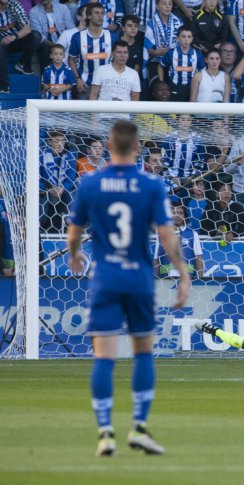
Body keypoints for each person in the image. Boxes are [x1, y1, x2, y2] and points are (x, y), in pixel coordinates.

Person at [66, 120, 190, 457]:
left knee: (103, 357)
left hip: (105, 278)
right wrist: (183, 273)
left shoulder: (90, 183)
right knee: (143, 352)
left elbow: (74, 230)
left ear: (108, 145)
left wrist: (75, 254)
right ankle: (139, 428)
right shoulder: (150, 184)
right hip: (138, 278)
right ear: (137, 149)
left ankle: (105, 433)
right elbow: (167, 234)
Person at [153, 203, 204, 277]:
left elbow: (198, 258)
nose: (177, 215)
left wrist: (200, 281)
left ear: (184, 216)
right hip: (165, 280)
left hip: (187, 279)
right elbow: (156, 259)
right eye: (174, 213)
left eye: (180, 213)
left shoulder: (192, 234)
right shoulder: (161, 234)